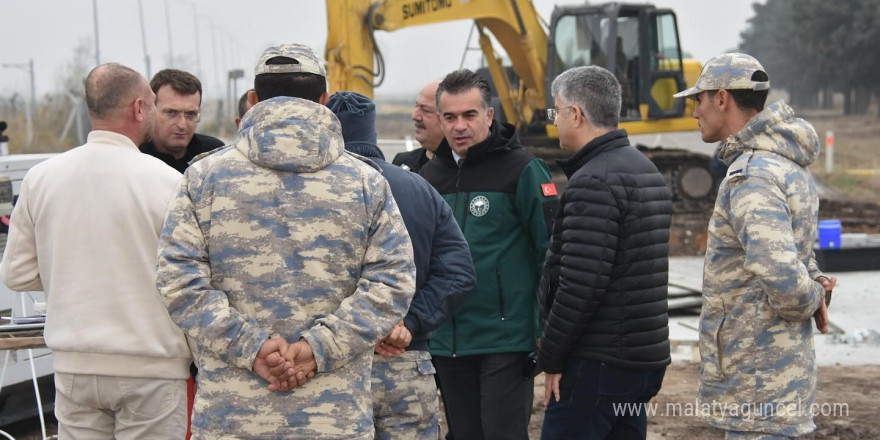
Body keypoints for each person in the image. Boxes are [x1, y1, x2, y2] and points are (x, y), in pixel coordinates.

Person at [155, 43, 416, 439]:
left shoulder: (202, 179)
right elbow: (393, 283)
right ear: (324, 101)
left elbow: (178, 283)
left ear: (254, 100)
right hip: (336, 416)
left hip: (233, 418)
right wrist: (317, 349)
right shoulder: (365, 183)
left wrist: (254, 349)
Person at [0, 63, 192, 439]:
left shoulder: (42, 177)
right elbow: (189, 275)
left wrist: (69, 273)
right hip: (153, 367)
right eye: (154, 104)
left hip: (75, 368)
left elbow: (17, 274)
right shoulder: (168, 182)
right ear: (139, 108)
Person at [673, 52, 836, 439]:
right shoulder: (783, 165)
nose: (695, 112)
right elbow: (798, 254)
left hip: (759, 389)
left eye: (699, 100)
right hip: (775, 382)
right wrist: (818, 286)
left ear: (722, 99)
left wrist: (813, 296)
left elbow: (784, 278)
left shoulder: (752, 177)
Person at [327, 91, 476, 440]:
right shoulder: (419, 189)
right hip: (405, 361)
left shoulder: (313, 190)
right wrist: (409, 321)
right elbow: (459, 271)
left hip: (332, 366)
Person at [419, 69, 558, 440]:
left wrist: (545, 329)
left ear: (489, 116)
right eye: (449, 117)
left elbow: (551, 253)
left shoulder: (523, 170)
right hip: (448, 341)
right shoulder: (429, 178)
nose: (459, 126)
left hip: (506, 339)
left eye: (469, 115)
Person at [537, 65, 672, 440]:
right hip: (641, 359)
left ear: (575, 115)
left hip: (596, 364)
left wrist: (550, 356)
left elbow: (580, 286)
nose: (555, 122)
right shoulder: (645, 169)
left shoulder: (593, 181)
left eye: (556, 111)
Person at [139, 68, 225, 173]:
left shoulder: (214, 153)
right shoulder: (136, 157)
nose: (182, 125)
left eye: (190, 114)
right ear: (151, 110)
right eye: (171, 113)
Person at [392, 80, 442, 172]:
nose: (415, 116)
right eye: (416, 106)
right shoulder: (402, 163)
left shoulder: (464, 171)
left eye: (426, 110)